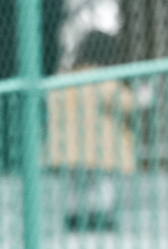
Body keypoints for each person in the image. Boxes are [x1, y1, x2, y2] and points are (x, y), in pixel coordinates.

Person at [47, 30, 135, 233]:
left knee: (75, 185)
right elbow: (124, 102)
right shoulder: (102, 80)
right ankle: (100, 216)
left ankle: (74, 216)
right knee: (102, 182)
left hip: (67, 147)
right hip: (98, 146)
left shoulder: (64, 80)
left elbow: (51, 104)